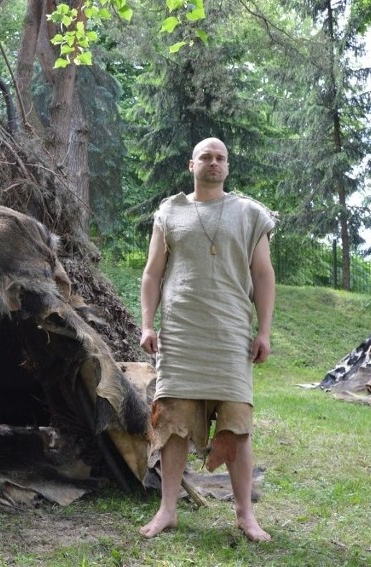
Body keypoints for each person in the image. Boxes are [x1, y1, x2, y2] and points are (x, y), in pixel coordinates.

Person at [138, 137, 276, 541]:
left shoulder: (250, 213)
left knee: (238, 423)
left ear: (228, 167)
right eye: (206, 157)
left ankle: (245, 514)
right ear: (191, 164)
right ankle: (167, 510)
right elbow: (152, 273)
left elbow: (264, 275)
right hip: (180, 334)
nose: (213, 163)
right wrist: (148, 324)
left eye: (220, 158)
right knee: (173, 423)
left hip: (231, 333)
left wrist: (264, 330)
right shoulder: (170, 211)